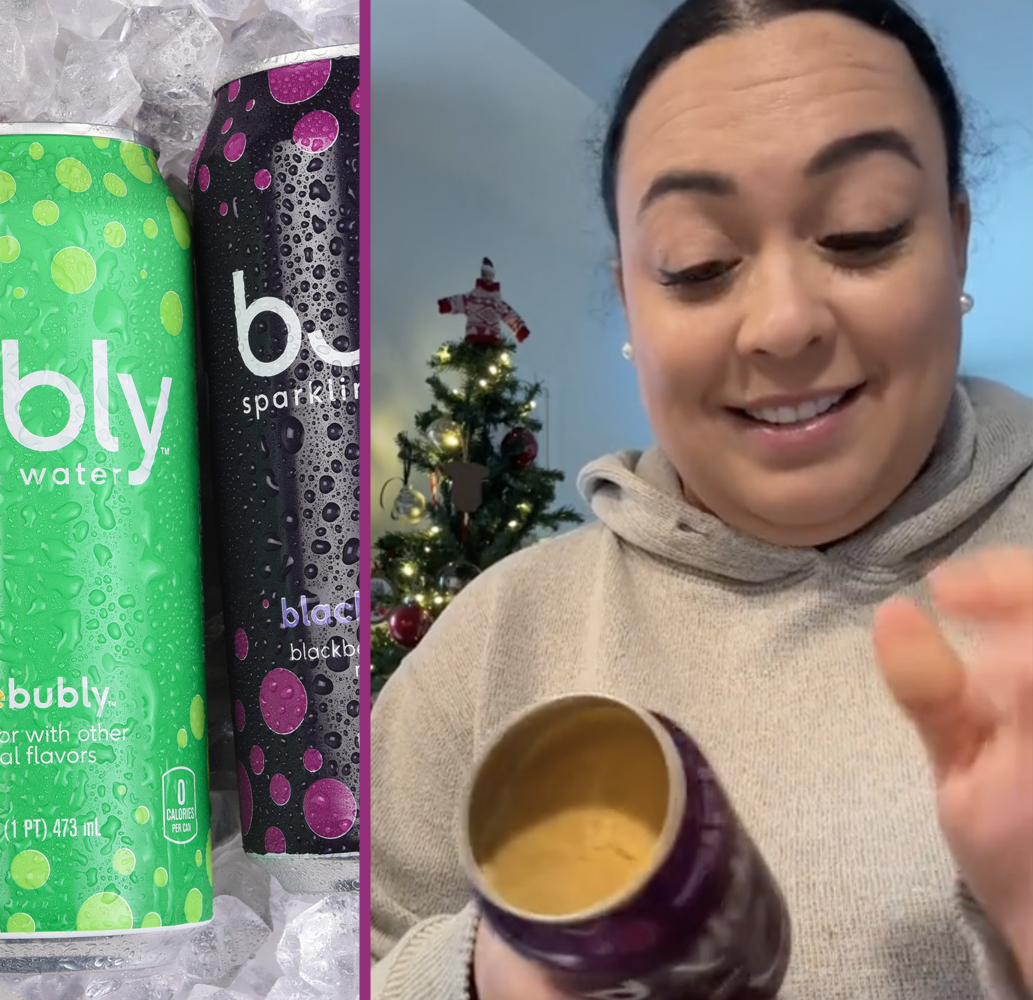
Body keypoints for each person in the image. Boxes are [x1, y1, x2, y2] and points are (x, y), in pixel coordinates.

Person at [370, 0, 1033, 997]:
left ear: (955, 242)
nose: (780, 324)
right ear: (632, 299)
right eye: (696, 264)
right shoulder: (490, 640)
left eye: (860, 232)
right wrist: (477, 977)